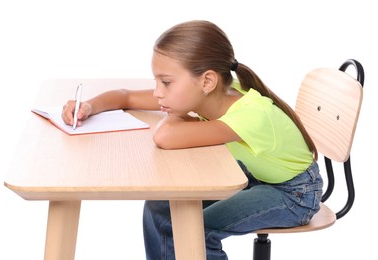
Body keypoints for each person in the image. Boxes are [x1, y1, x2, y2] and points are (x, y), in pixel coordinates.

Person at [62, 20, 323, 260]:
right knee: (160, 207)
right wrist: (88, 106)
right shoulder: (209, 94)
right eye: (157, 81)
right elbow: (125, 96)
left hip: (295, 194)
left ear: (207, 81)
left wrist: (176, 114)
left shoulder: (250, 115)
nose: (157, 92)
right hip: (255, 176)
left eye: (166, 82)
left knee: (200, 230)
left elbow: (165, 136)